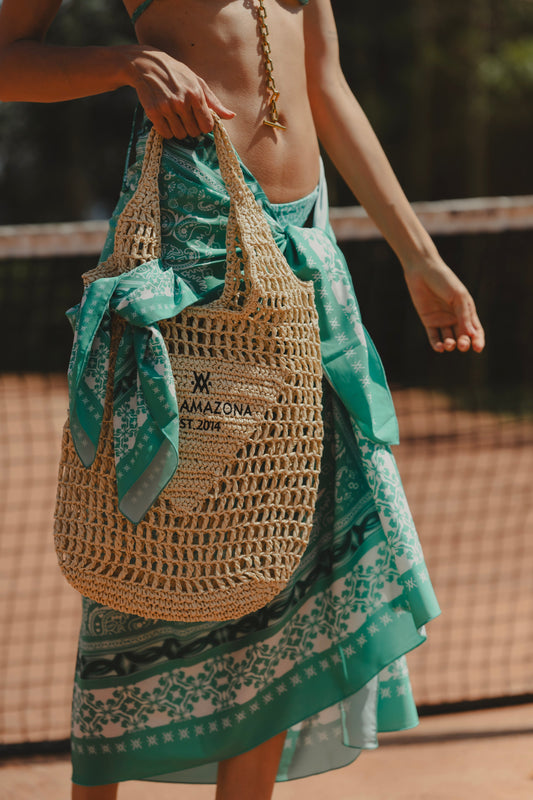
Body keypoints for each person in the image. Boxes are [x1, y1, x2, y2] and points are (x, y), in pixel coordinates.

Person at [0, 1, 485, 799]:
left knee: (280, 548)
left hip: (307, 252)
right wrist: (126, 62)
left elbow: (323, 83)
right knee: (160, 527)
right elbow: (10, 57)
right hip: (191, 245)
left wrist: (419, 258)